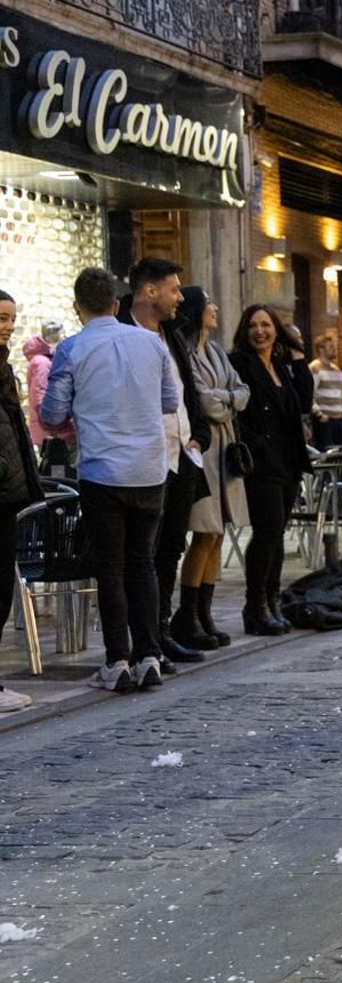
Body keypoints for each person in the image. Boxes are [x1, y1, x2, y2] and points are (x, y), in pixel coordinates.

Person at [41, 268, 179, 692]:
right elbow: (170, 401)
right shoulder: (151, 344)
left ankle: (117, 659)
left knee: (111, 567)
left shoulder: (71, 349)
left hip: (102, 471)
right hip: (149, 470)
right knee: (143, 563)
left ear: (78, 306)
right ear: (116, 305)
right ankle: (150, 655)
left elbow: (51, 415)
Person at [119, 258, 211, 669]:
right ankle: (144, 643)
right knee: (144, 553)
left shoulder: (171, 333)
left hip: (182, 454)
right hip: (143, 459)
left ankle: (162, 630)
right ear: (150, 291)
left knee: (172, 547)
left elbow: (186, 388)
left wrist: (200, 433)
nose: (180, 298)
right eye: (174, 289)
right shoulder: (120, 332)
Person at [171, 287, 250, 651]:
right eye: (209, 302)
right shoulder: (184, 351)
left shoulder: (216, 351)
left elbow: (241, 390)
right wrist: (230, 402)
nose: (215, 307)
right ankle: (187, 615)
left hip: (227, 448)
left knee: (218, 534)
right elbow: (203, 401)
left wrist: (228, 401)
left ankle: (205, 612)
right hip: (203, 449)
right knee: (203, 532)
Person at [229, 305, 312, 635]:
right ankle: (255, 605)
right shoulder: (239, 363)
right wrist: (256, 445)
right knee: (267, 532)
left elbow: (304, 400)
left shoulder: (280, 364)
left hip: (288, 460)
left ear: (277, 329)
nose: (259, 331)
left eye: (265, 325)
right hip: (262, 462)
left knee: (278, 533)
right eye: (252, 325)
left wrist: (298, 356)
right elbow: (239, 415)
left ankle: (273, 599)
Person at [0, 290, 45, 711]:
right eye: (1, 318)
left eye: (11, 318)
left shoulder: (5, 367)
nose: (8, 327)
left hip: (8, 494)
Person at [24, 323, 74, 475]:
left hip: (53, 431)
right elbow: (41, 399)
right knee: (61, 475)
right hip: (56, 433)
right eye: (63, 335)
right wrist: (58, 423)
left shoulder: (44, 361)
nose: (65, 339)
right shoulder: (43, 363)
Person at [308, 332, 342, 448]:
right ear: (321, 350)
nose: (335, 349)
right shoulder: (315, 368)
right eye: (331, 347)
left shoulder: (337, 370)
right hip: (325, 420)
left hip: (341, 419)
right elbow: (309, 393)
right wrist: (319, 414)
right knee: (327, 454)